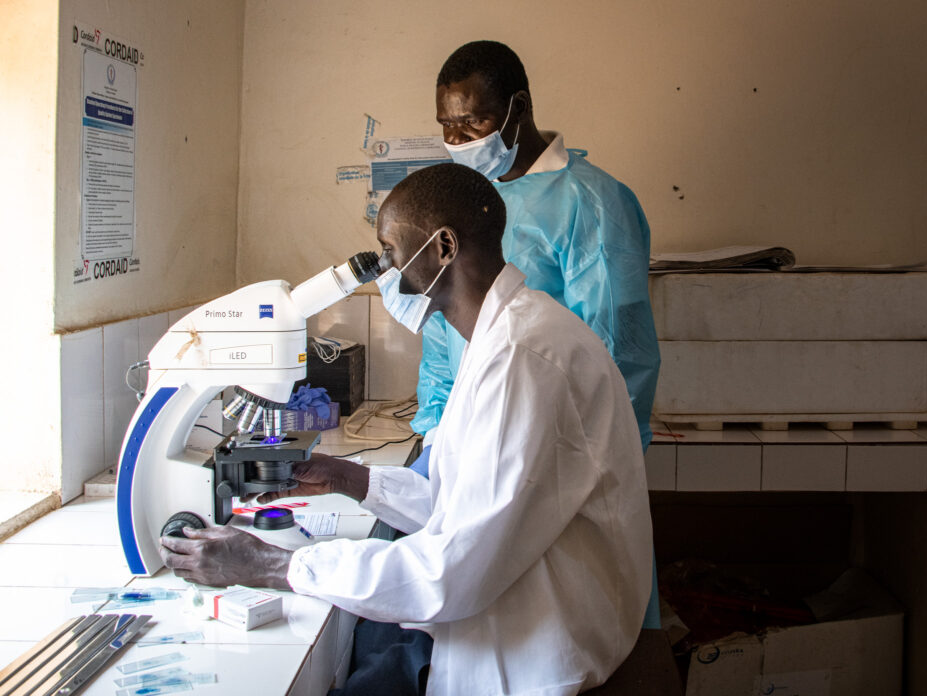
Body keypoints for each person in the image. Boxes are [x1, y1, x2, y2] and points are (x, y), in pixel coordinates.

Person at [160, 163, 654, 696]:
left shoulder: (522, 357)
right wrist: (349, 479)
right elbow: (464, 507)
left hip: (534, 661)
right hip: (507, 624)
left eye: (391, 250)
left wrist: (273, 564)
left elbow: (451, 570)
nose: (386, 270)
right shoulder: (503, 336)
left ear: (443, 247)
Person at [410, 40, 660, 476]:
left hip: (559, 441)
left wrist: (595, 458)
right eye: (446, 124)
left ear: (518, 107)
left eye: (471, 121)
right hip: (471, 435)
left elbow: (618, 350)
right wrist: (438, 430)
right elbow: (442, 332)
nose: (455, 140)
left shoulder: (590, 202)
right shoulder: (461, 199)